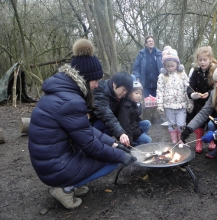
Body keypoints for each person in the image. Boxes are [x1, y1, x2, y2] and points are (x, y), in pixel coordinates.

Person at [28, 38, 136, 209]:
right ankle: (65, 188)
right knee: (112, 161)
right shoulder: (71, 101)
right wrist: (121, 156)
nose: (97, 85)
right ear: (85, 78)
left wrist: (114, 143)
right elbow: (90, 145)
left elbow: (87, 131)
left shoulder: (61, 92)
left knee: (108, 152)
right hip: (55, 167)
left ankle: (71, 182)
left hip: (50, 162)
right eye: (95, 80)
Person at [181, 59, 217, 156]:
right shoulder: (214, 94)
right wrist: (188, 129)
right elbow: (204, 112)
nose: (216, 85)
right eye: (215, 81)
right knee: (212, 123)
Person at [156, 46, 193, 143]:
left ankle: (181, 140)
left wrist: (190, 103)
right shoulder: (162, 76)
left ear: (177, 64)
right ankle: (174, 141)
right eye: (167, 66)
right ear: (164, 66)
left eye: (172, 66)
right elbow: (159, 90)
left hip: (181, 105)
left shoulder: (182, 74)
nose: (170, 68)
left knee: (181, 124)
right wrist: (160, 104)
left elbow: (187, 88)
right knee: (172, 124)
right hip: (169, 105)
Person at [186, 46, 217, 153]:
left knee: (212, 122)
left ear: (210, 59)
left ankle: (211, 141)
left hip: (213, 101)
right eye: (200, 60)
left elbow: (216, 87)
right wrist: (193, 94)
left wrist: (209, 93)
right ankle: (198, 141)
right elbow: (190, 86)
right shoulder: (196, 72)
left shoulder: (214, 71)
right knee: (199, 123)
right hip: (199, 102)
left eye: (205, 60)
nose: (202, 62)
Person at [91, 71, 133, 146]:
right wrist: (121, 133)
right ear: (114, 84)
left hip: (108, 122)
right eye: (123, 89)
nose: (124, 93)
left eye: (126, 91)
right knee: (104, 126)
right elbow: (106, 114)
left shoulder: (121, 95)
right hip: (93, 122)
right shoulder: (100, 90)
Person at [117, 81, 152, 146]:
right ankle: (135, 144)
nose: (139, 96)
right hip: (129, 130)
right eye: (136, 93)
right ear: (129, 94)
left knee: (147, 123)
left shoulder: (135, 103)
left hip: (134, 126)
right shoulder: (126, 107)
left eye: (140, 94)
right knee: (148, 140)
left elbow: (136, 117)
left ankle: (139, 138)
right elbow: (125, 126)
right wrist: (129, 143)